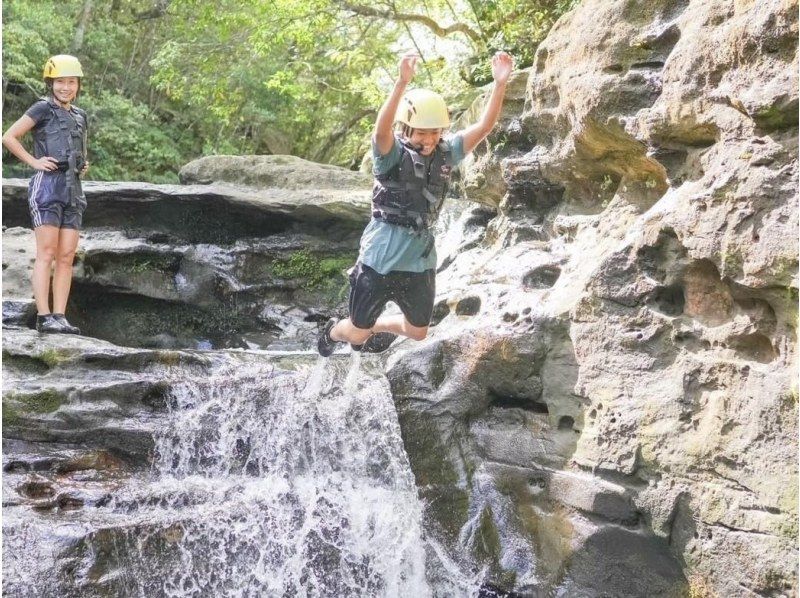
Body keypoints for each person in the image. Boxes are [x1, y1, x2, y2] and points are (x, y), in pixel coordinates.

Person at [318, 51, 513, 356]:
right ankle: (332, 330)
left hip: (419, 260)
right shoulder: (391, 156)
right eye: (422, 132)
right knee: (356, 334)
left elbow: (485, 127)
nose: (430, 139)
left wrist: (499, 84)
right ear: (407, 130)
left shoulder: (448, 153)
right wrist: (400, 83)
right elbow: (381, 131)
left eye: (435, 132)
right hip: (380, 257)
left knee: (418, 332)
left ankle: (378, 326)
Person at [2, 54, 90, 334]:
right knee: (47, 252)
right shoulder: (41, 108)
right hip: (47, 187)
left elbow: (79, 149)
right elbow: (8, 137)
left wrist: (83, 165)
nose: (66, 87)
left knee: (66, 256)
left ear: (78, 85)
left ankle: (59, 317)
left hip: (73, 189)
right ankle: (44, 316)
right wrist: (34, 161)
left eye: (71, 82)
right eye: (61, 82)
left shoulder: (80, 115)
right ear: (51, 82)